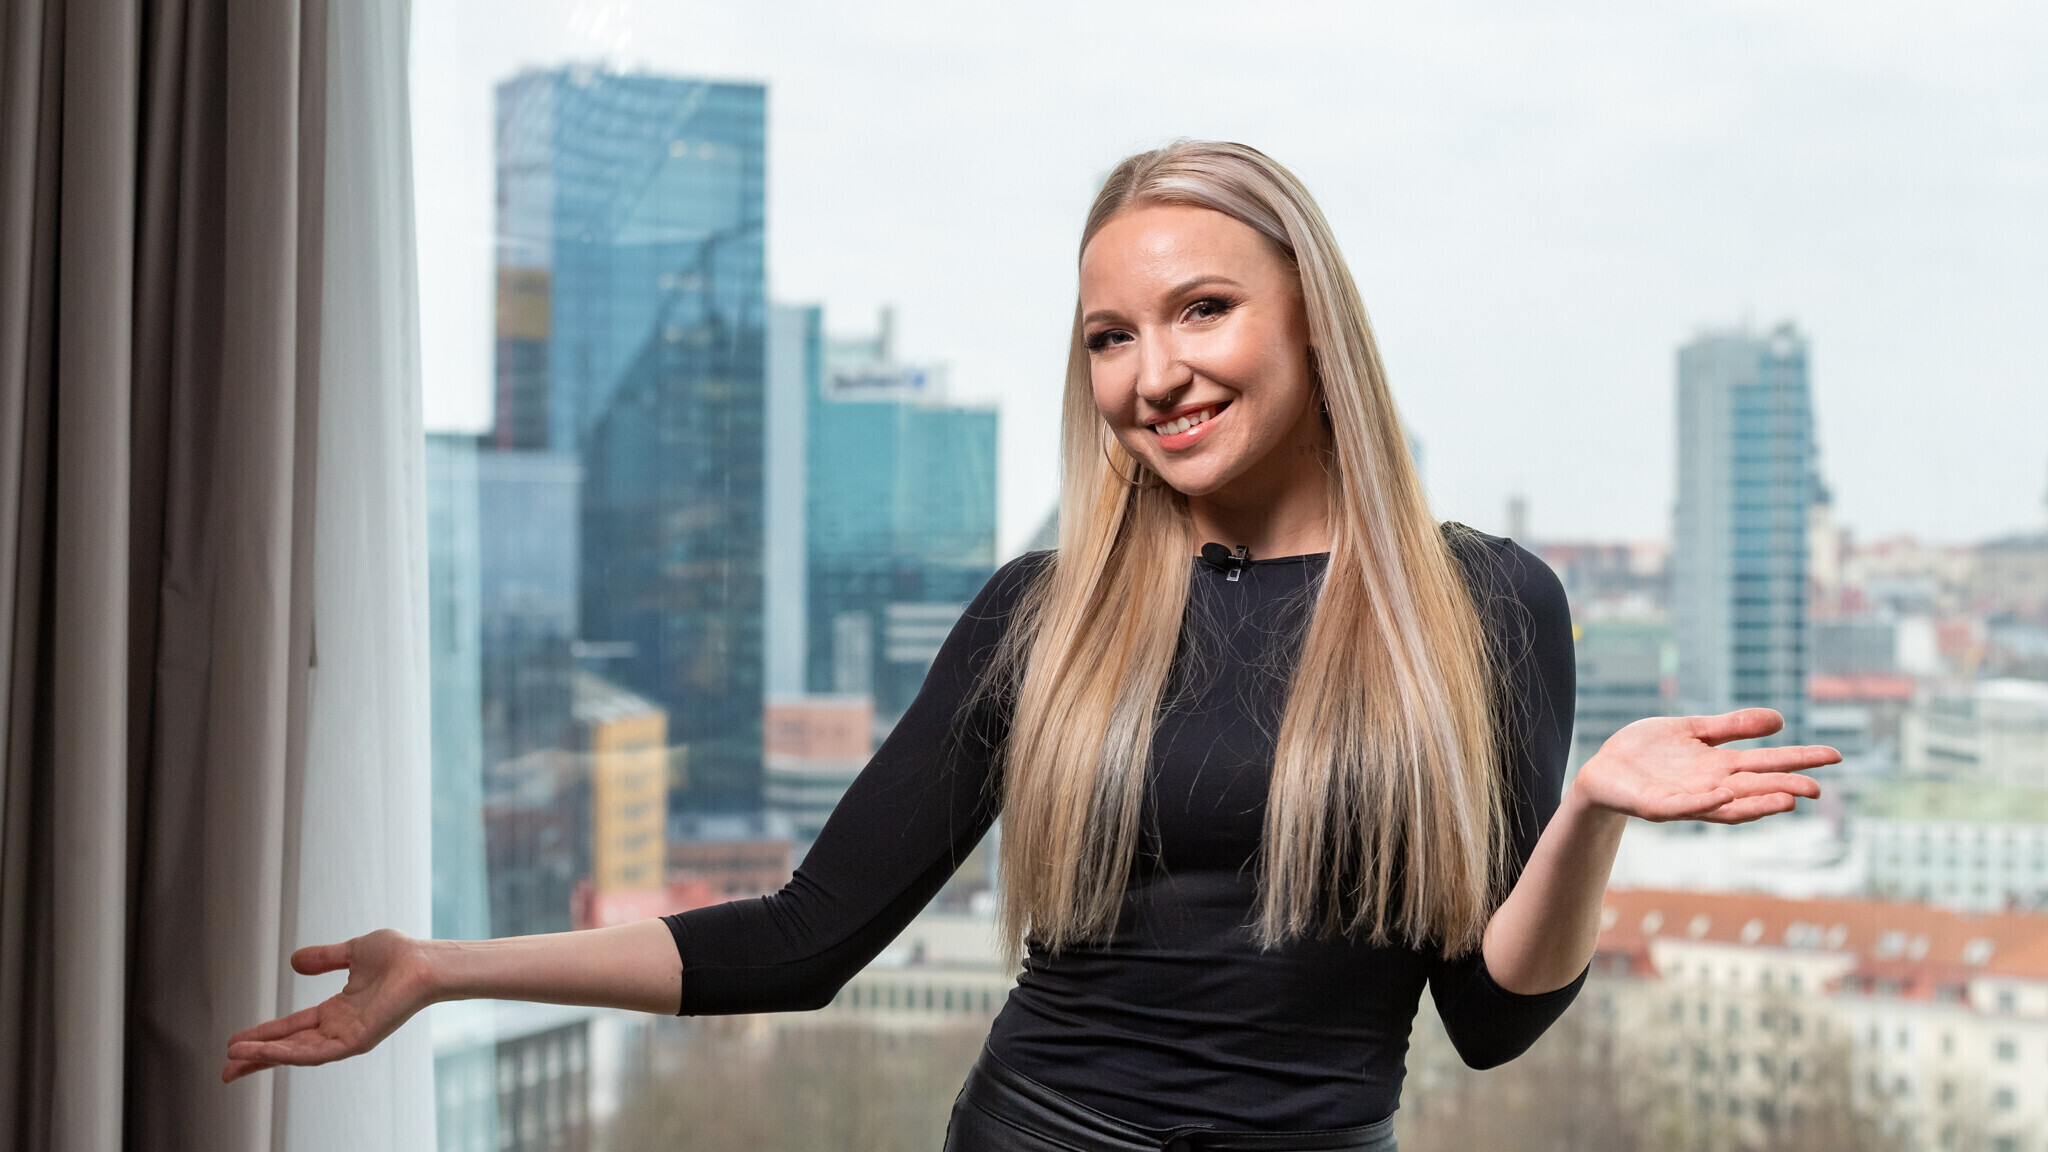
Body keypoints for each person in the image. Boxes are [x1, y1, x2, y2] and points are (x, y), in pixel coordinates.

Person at [223, 141, 1835, 1151]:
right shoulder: (1045, 615)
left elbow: (1488, 1016)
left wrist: (1590, 815)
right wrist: (443, 970)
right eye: (1109, 337)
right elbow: (805, 937)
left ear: (1309, 316)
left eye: (1201, 311)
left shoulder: (1481, 606)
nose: (1153, 374)